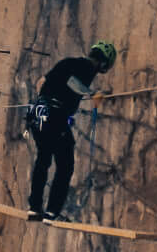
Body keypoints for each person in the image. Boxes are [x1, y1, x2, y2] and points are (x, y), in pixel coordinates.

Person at [27, 41, 116, 221]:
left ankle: (34, 208)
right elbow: (72, 82)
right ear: (104, 63)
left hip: (38, 112)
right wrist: (91, 94)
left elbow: (42, 82)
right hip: (54, 114)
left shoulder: (69, 62)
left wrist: (46, 97)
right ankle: (52, 211)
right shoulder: (86, 67)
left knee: (43, 159)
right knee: (65, 165)